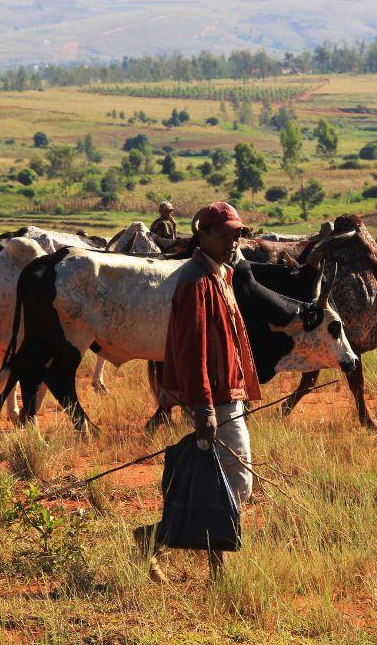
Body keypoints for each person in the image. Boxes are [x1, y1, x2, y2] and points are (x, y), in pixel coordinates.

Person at [134, 201, 261, 581]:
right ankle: (156, 538)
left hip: (226, 395)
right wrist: (204, 407)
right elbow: (193, 351)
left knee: (218, 480)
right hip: (215, 399)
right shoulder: (195, 281)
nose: (232, 241)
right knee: (237, 481)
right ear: (201, 235)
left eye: (236, 234)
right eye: (223, 235)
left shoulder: (221, 273)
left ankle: (208, 562)